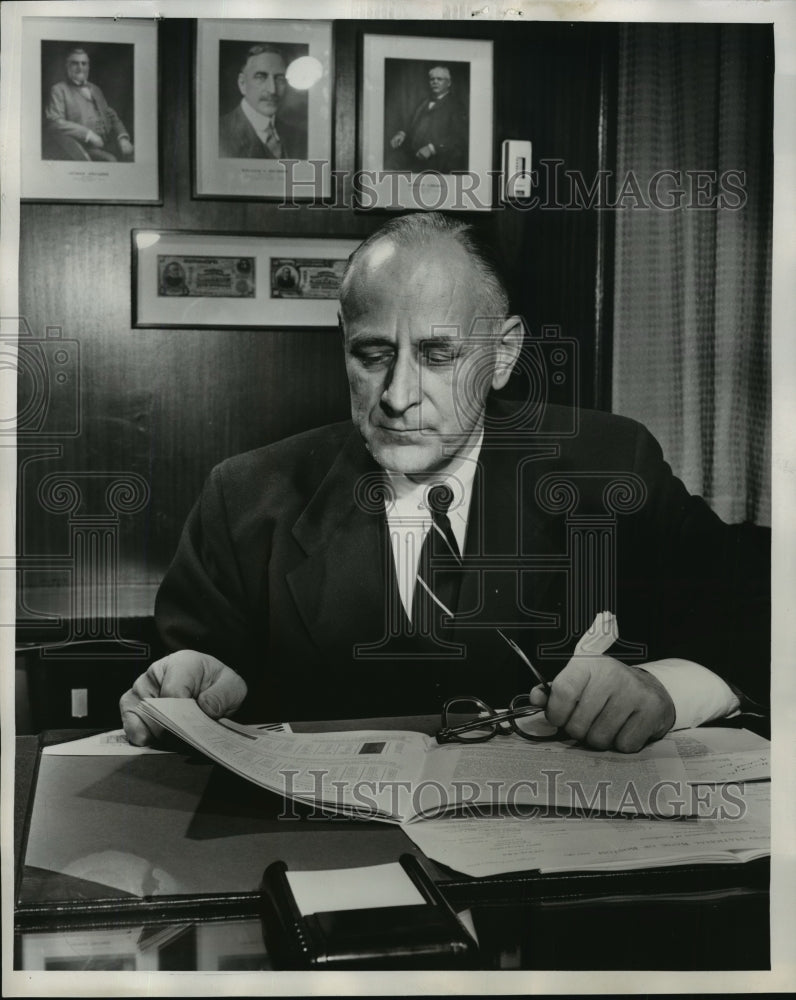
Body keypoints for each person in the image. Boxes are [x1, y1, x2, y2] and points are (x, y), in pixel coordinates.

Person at [120, 213, 769, 750]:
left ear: (504, 354)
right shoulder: (243, 499)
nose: (399, 396)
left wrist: (664, 692)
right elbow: (197, 690)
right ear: (343, 344)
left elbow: (760, 622)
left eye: (439, 356)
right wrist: (197, 690)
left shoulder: (611, 465)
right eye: (373, 356)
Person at [44, 47, 134, 162]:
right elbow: (55, 122)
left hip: (109, 142)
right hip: (83, 147)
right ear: (67, 66)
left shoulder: (96, 89)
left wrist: (123, 138)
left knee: (133, 156)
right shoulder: (59, 90)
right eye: (75, 63)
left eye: (84, 63)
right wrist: (88, 134)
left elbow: (111, 115)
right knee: (111, 161)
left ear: (88, 67)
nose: (80, 67)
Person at [219, 44, 306, 160]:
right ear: (242, 83)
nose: (272, 90)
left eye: (280, 78)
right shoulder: (217, 133)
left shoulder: (300, 136)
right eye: (261, 77)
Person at [388, 66, 468, 172]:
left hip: (439, 160)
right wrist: (402, 133)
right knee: (389, 165)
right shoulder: (424, 103)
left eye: (439, 79)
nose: (435, 82)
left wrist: (432, 149)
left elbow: (458, 138)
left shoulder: (456, 105)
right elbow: (412, 123)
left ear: (448, 83)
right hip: (414, 155)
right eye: (432, 79)